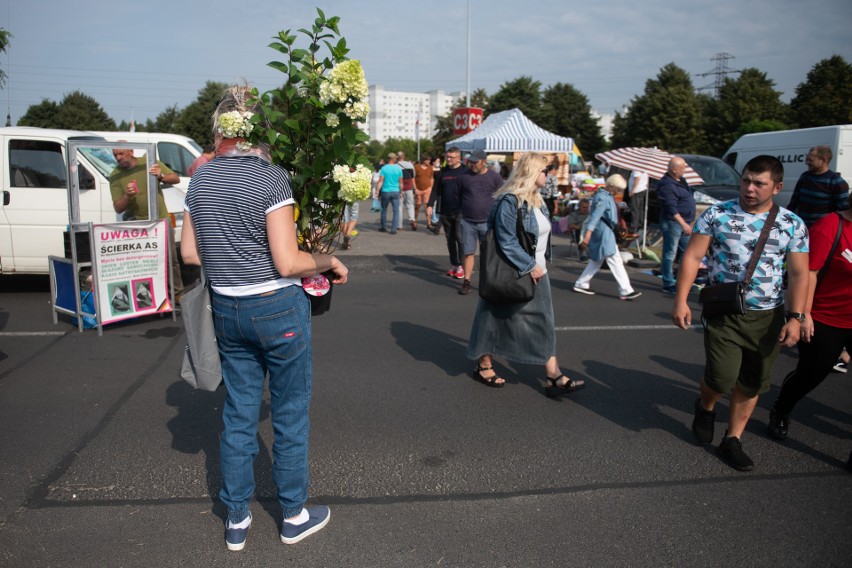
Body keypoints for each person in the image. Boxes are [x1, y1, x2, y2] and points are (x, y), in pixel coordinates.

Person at [181, 85, 347, 551]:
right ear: (261, 129)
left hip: (227, 308)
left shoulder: (200, 181)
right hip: (276, 306)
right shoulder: (270, 178)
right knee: (290, 415)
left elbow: (190, 253)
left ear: (219, 131)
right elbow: (289, 262)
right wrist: (328, 261)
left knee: (238, 413)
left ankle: (236, 520)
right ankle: (292, 514)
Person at [673, 155, 808, 472]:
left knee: (753, 382)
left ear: (777, 186)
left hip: (768, 316)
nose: (749, 188)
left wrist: (796, 317)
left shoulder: (792, 224)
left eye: (759, 183)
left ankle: (732, 439)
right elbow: (693, 257)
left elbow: (801, 275)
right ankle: (706, 405)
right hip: (724, 311)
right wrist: (680, 300)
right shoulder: (717, 214)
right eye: (746, 180)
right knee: (721, 377)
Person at [465, 152, 585, 396]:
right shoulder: (509, 200)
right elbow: (505, 240)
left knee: (543, 322)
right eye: (544, 171)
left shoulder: (537, 200)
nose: (547, 175)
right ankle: (484, 364)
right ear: (531, 173)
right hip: (517, 270)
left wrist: (537, 265)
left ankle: (553, 374)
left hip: (537, 271)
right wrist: (529, 265)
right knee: (492, 318)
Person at [767, 196, 851, 441]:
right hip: (825, 317)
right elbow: (808, 273)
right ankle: (781, 410)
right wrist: (804, 314)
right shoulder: (832, 225)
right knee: (812, 373)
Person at [110, 146, 184, 302]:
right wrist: (127, 196)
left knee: (170, 259)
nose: (118, 158)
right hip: (136, 225)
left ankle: (177, 294)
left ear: (131, 151)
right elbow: (118, 207)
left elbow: (175, 178)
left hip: (161, 220)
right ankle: (148, 298)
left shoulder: (149, 163)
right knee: (142, 263)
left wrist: (161, 175)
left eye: (121, 153)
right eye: (115, 155)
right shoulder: (115, 175)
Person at [572, 175, 642, 301]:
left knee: (598, 259)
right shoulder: (604, 198)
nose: (620, 192)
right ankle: (625, 290)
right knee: (614, 259)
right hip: (604, 232)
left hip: (604, 231)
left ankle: (581, 283)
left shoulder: (603, 196)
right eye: (618, 189)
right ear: (611, 186)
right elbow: (595, 217)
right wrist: (588, 234)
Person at [457, 149, 505, 295]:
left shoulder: (495, 177)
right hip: (468, 221)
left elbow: (501, 197)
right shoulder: (463, 177)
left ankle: (486, 282)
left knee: (487, 254)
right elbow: (459, 196)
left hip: (487, 222)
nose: (472, 164)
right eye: (470, 161)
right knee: (468, 252)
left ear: (484, 162)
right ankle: (467, 282)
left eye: (475, 162)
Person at [428, 146, 468, 279]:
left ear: (458, 158)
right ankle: (454, 265)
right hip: (445, 210)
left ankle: (462, 266)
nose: (448, 159)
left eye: (451, 157)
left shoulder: (465, 172)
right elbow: (435, 190)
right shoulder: (442, 172)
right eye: (447, 157)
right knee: (449, 239)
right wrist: (429, 205)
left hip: (461, 211)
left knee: (460, 238)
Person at [787, 145, 850, 228]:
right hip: (802, 228)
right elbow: (793, 204)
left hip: (823, 231)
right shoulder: (805, 177)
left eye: (810, 160)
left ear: (823, 160)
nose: (806, 162)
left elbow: (844, 212)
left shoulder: (837, 182)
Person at [658, 157, 696, 294]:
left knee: (686, 254)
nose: (684, 170)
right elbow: (671, 207)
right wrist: (683, 224)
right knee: (670, 254)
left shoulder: (681, 180)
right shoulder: (667, 185)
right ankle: (668, 283)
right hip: (674, 223)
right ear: (673, 169)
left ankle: (682, 282)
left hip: (685, 222)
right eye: (682, 168)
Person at [377, 153, 402, 234]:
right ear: (394, 159)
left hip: (386, 191)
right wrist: (401, 191)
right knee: (396, 211)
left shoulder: (384, 168)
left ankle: (383, 227)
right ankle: (393, 229)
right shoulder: (398, 169)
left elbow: (380, 181)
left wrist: (377, 191)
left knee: (384, 210)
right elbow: (401, 182)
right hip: (395, 191)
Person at [414, 154, 435, 232]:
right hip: (418, 189)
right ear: (423, 160)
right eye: (427, 160)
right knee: (417, 206)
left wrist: (431, 187)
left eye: (430, 160)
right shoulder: (416, 167)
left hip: (427, 189)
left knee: (427, 206)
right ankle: (415, 221)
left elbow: (431, 178)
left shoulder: (430, 168)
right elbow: (413, 178)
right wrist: (415, 188)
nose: (429, 161)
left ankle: (429, 223)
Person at [396, 151, 417, 231]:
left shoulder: (395, 166)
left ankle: (399, 225)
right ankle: (412, 219)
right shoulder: (410, 164)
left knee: (399, 206)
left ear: (397, 158)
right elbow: (413, 177)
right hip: (409, 187)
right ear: (404, 156)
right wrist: (414, 188)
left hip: (399, 188)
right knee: (410, 204)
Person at [627, 169, 649, 234]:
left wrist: (632, 190)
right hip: (642, 189)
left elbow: (637, 178)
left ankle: (634, 226)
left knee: (635, 209)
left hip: (637, 190)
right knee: (640, 209)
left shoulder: (637, 169)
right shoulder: (645, 170)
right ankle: (640, 224)